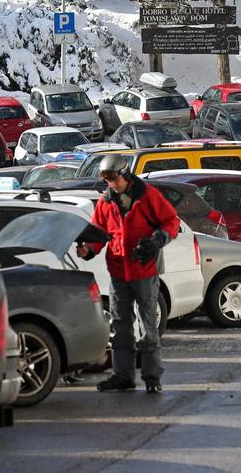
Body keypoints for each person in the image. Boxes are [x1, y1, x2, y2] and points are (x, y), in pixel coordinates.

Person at [76, 154, 179, 393]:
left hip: (144, 270)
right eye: (108, 180)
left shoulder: (148, 196)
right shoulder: (105, 202)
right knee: (121, 325)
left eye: (115, 179)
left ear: (126, 174)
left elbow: (171, 222)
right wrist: (88, 249)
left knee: (147, 325)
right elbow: (99, 234)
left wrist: (158, 240)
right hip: (119, 272)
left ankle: (152, 378)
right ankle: (123, 376)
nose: (112, 184)